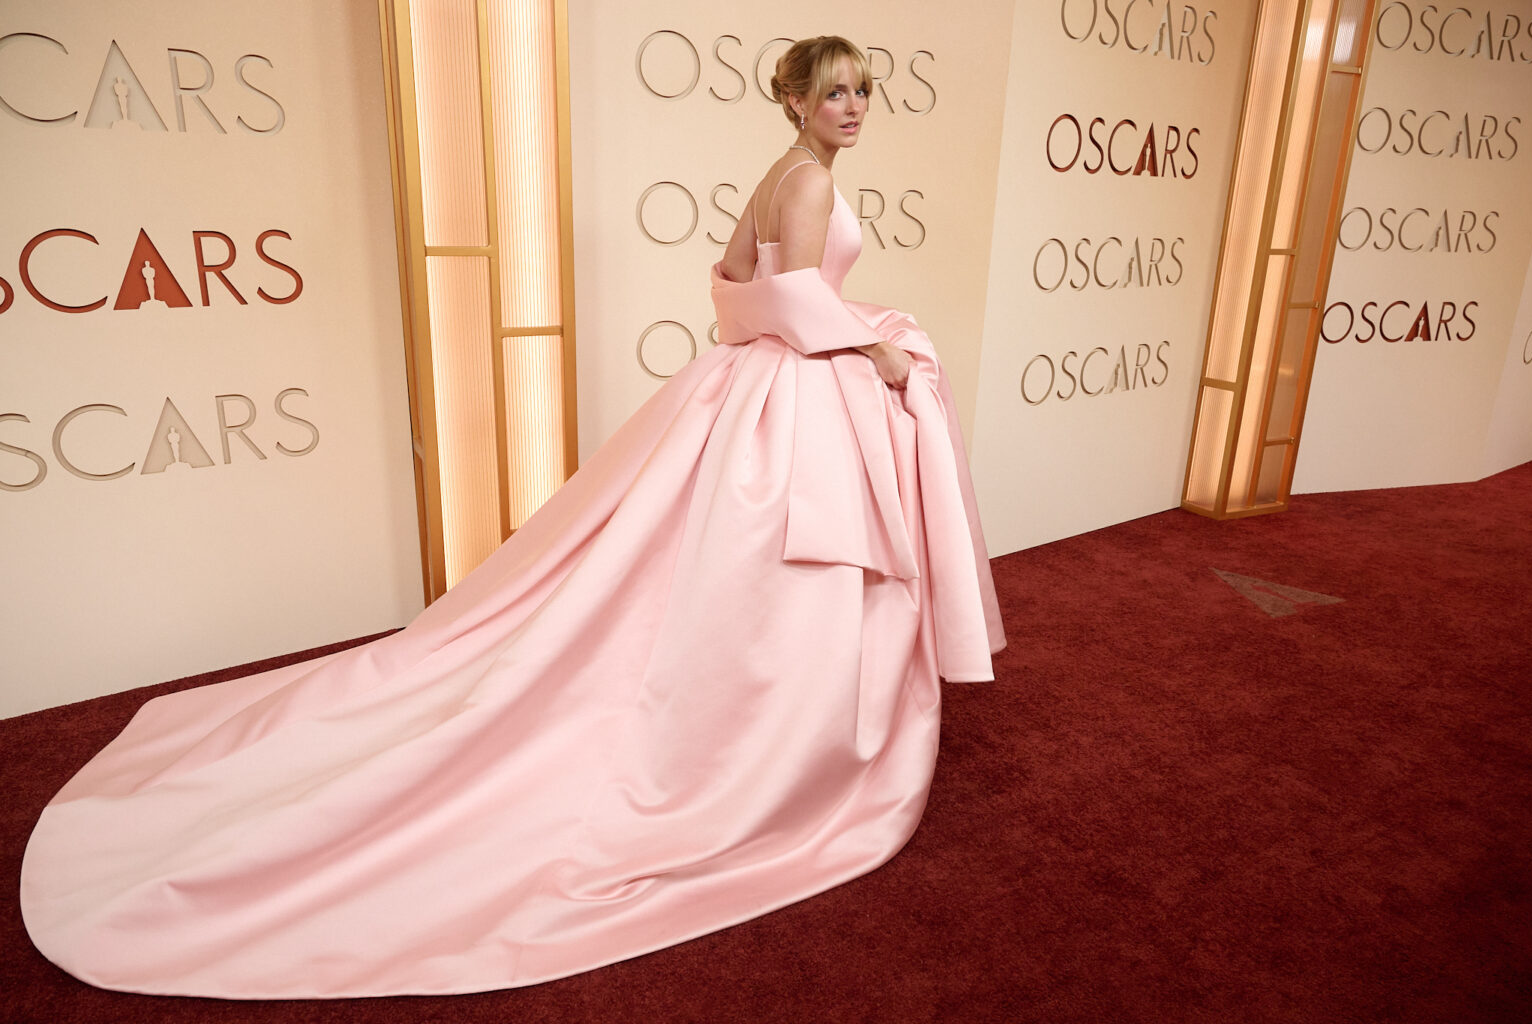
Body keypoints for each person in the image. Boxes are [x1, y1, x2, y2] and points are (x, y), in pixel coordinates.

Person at [20, 35, 1005, 999]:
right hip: (800, 398)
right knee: (792, 571)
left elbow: (729, 289)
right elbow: (788, 298)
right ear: (794, 101)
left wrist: (827, 321)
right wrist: (869, 347)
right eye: (834, 93)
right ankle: (783, 740)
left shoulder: (777, 173)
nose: (853, 108)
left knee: (708, 568)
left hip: (758, 389)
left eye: (863, 92)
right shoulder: (809, 181)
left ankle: (762, 713)